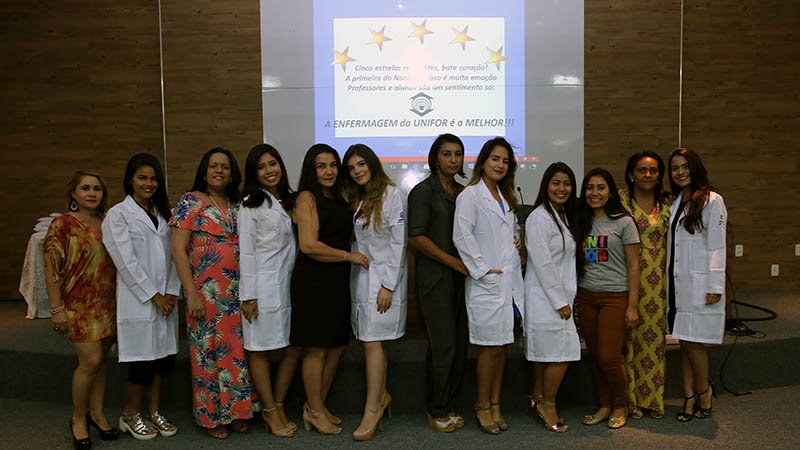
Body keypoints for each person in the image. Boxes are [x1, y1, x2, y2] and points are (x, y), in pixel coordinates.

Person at [169, 148, 252, 439]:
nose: (219, 171)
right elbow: (178, 250)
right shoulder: (190, 201)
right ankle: (212, 418)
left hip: (235, 293)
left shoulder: (238, 204)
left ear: (232, 173)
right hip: (204, 294)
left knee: (234, 353)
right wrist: (190, 293)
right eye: (214, 166)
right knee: (207, 356)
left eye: (225, 167)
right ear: (204, 171)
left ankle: (235, 412)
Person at [290, 144, 367, 435]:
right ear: (312, 170)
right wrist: (348, 256)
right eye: (321, 166)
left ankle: (316, 406)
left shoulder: (339, 197)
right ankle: (315, 410)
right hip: (313, 280)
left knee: (337, 345)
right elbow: (309, 245)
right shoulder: (306, 197)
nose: (329, 171)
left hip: (337, 280)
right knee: (317, 348)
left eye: (333, 165)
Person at [102, 154, 180, 440]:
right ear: (130, 180)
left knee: (161, 360)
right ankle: (131, 413)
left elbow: (176, 255)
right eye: (142, 178)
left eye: (153, 178)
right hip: (140, 300)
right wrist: (154, 295)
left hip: (166, 300)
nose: (149, 183)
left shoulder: (165, 214)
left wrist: (171, 292)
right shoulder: (118, 215)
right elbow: (125, 262)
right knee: (142, 362)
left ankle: (153, 411)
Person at [453, 137, 524, 435]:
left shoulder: (506, 197)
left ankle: (495, 403)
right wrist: (482, 269)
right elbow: (461, 236)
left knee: (502, 346)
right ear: (482, 162)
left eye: (505, 161)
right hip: (487, 282)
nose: (500, 165)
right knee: (490, 349)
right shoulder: (470, 195)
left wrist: (516, 242)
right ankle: (482, 405)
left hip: (507, 283)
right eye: (495, 159)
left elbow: (510, 233)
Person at [43, 170, 119, 449]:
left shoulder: (108, 221)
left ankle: (97, 414)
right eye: (85, 188)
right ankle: (78, 418)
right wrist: (56, 309)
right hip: (78, 305)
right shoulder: (63, 224)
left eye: (97, 188)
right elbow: (51, 268)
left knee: (101, 362)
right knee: (90, 362)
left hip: (109, 302)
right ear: (73, 193)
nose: (92, 193)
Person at [342, 144, 407, 441]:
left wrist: (388, 285)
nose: (357, 171)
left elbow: (398, 242)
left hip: (383, 281)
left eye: (361, 164)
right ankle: (382, 397)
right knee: (372, 341)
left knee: (372, 342)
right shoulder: (359, 198)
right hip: (364, 278)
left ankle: (372, 408)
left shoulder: (392, 194)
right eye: (352, 167)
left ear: (372, 163)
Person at [238, 144, 303, 437]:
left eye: (273, 163)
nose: (269, 171)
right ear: (254, 174)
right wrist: (248, 295)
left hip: (289, 285)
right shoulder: (250, 204)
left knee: (294, 346)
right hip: (261, 289)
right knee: (260, 349)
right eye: (261, 167)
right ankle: (268, 410)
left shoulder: (290, 200)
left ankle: (278, 403)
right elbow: (246, 251)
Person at [407, 134, 469, 433]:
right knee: (443, 345)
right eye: (447, 154)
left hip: (463, 280)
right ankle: (437, 409)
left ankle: (449, 403)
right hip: (435, 281)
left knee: (458, 346)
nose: (453, 159)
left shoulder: (463, 192)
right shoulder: (422, 192)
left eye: (458, 154)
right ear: (435, 158)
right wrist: (452, 262)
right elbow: (416, 238)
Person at [575, 168, 641, 429]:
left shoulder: (624, 222)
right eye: (590, 188)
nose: (595, 193)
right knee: (595, 356)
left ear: (610, 192)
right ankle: (604, 405)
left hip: (615, 297)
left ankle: (620, 405)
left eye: (601, 188)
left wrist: (632, 306)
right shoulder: (579, 221)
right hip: (586, 295)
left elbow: (634, 266)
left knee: (608, 358)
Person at [666, 148, 727, 422]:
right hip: (679, 282)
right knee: (684, 340)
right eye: (675, 168)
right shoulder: (676, 203)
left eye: (684, 166)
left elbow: (717, 245)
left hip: (700, 284)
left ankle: (704, 390)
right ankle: (689, 396)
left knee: (693, 343)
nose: (680, 172)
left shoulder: (713, 201)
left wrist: (715, 284)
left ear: (695, 168)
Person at [523, 162, 580, 433]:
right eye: (556, 183)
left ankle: (537, 399)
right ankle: (548, 405)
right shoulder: (539, 218)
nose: (561, 188)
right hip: (547, 299)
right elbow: (543, 263)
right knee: (561, 354)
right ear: (546, 185)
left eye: (567, 183)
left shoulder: (562, 215)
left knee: (547, 353)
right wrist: (560, 301)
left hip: (557, 297)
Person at [619, 151, 672, 419]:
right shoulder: (619, 201)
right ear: (632, 174)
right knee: (627, 340)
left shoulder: (668, 203)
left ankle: (652, 399)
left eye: (653, 170)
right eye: (642, 170)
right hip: (624, 276)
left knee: (652, 341)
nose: (647, 175)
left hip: (657, 282)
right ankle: (629, 400)